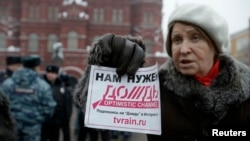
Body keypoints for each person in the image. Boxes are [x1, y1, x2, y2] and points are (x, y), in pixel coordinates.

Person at [73, 3, 250, 141]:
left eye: (195, 37)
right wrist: (103, 64)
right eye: (177, 39)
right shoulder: (155, 88)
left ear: (216, 45)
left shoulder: (246, 89)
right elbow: (90, 106)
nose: (183, 48)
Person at [1, 54, 56, 141]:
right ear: (37, 67)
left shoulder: (8, 84)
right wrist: (37, 118)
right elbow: (49, 107)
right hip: (32, 128)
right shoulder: (42, 85)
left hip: (11, 127)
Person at [41, 64, 72, 141]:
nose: (50, 75)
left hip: (56, 121)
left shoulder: (62, 87)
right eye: (48, 72)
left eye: (52, 73)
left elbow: (67, 105)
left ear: (57, 74)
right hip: (43, 121)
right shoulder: (41, 86)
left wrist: (66, 118)